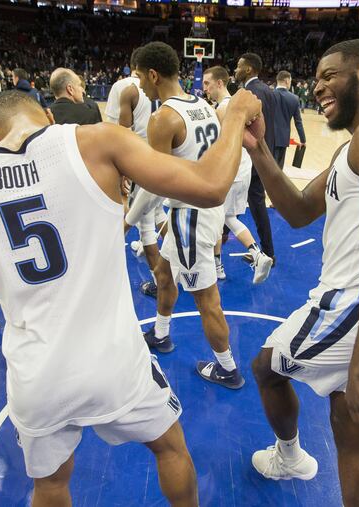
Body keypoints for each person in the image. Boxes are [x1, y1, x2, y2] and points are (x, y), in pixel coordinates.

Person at [0, 88, 261, 506]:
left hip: (37, 378)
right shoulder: (95, 141)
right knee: (170, 448)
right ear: (48, 117)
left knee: (50, 486)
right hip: (116, 364)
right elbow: (212, 186)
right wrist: (234, 115)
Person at [247, 39, 359, 506]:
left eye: (330, 75)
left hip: (355, 301)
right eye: (317, 76)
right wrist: (258, 149)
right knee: (350, 422)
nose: (318, 85)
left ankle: (289, 458)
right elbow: (299, 210)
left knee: (266, 368)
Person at [126, 42, 245, 388]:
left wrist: (128, 221)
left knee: (207, 300)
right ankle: (161, 334)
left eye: (139, 78)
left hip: (190, 218)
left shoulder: (162, 118)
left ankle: (228, 368)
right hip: (203, 210)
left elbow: (153, 184)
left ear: (152, 75)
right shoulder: (205, 106)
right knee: (164, 272)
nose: (140, 86)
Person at [203, 65, 273, 284]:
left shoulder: (224, 109)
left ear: (220, 83)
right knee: (227, 217)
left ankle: (252, 256)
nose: (204, 88)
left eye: (207, 83)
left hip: (230, 169)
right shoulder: (239, 105)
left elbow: (220, 146)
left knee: (219, 217)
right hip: (243, 167)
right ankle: (228, 263)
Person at [115, 51, 167, 297]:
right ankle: (175, 261)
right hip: (165, 162)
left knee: (145, 229)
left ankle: (161, 284)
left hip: (141, 164)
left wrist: (122, 170)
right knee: (159, 214)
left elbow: (122, 134)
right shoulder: (166, 90)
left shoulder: (128, 90)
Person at [235, 52, 276, 263]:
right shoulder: (269, 90)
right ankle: (267, 252)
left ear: (248, 69)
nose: (235, 69)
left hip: (251, 156)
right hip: (266, 154)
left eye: (239, 66)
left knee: (231, 199)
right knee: (256, 202)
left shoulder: (248, 92)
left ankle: (217, 244)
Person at [273, 70, 306, 168]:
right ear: (287, 81)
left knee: (266, 168)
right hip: (283, 138)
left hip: (268, 137)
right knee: (278, 168)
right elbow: (298, 122)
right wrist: (303, 139)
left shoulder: (269, 95)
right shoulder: (294, 98)